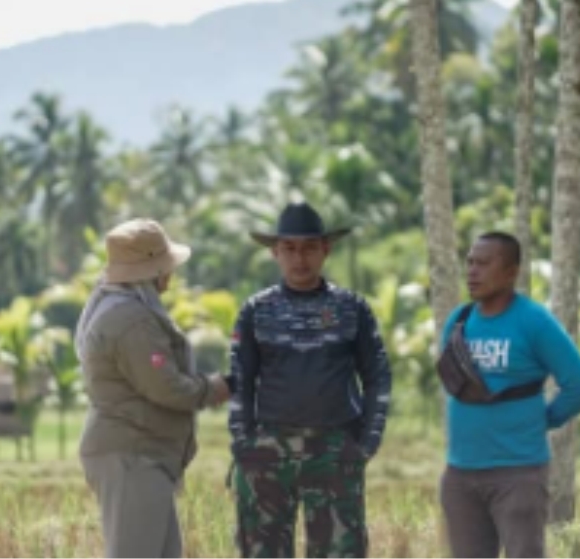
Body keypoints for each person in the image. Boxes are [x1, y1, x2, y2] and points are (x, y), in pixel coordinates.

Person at [228, 201, 392, 558]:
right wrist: (244, 443)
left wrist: (367, 442)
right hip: (268, 452)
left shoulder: (352, 308)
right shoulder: (256, 310)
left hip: (335, 450)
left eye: (309, 248)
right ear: (275, 252)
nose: (299, 258)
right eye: (289, 249)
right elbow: (239, 380)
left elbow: (378, 375)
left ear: (325, 250)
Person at [75, 218, 230, 558]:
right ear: (151, 270)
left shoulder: (119, 307)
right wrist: (216, 388)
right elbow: (167, 387)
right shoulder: (132, 320)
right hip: (132, 456)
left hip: (140, 453)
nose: (170, 274)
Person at [438, 231, 580, 558]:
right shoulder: (458, 321)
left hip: (518, 473)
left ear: (511, 273)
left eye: (483, 263)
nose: (472, 271)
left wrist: (545, 419)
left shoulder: (534, 321)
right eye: (469, 263)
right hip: (461, 474)